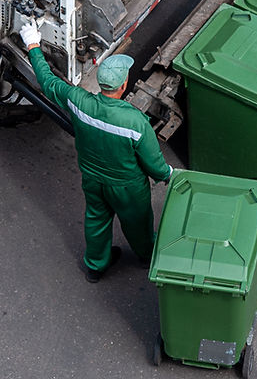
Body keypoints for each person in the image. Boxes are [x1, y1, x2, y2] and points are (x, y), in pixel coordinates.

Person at [19, 21, 172, 283]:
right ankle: (146, 255)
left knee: (96, 220)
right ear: (123, 85)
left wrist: (32, 44)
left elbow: (47, 81)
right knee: (137, 224)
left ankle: (95, 265)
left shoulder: (79, 101)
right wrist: (168, 174)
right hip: (127, 187)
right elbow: (154, 165)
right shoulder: (135, 122)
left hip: (93, 179)